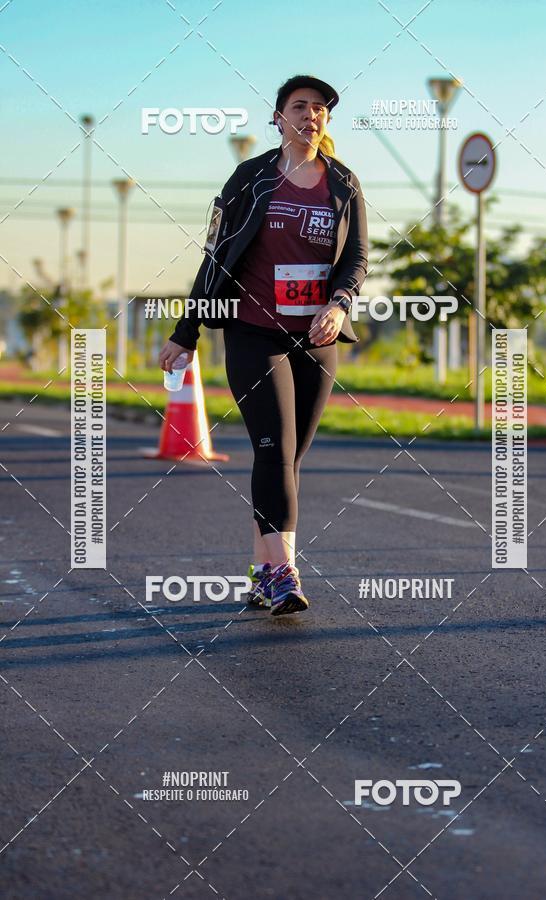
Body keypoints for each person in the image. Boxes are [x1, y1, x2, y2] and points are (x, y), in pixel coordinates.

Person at [159, 74, 368, 616]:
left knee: (289, 460)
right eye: (300, 106)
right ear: (278, 118)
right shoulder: (250, 178)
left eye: (320, 108)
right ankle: (281, 575)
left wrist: (340, 302)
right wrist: (188, 332)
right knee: (274, 449)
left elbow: (357, 259)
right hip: (254, 332)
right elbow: (215, 255)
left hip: (316, 339)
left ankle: (259, 573)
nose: (312, 114)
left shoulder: (343, 183)